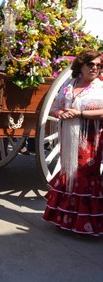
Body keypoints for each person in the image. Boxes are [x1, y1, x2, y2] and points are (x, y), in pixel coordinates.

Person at [43, 49, 103, 235]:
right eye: (91, 64)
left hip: (91, 140)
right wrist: (61, 113)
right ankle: (67, 219)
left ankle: (87, 222)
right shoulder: (70, 85)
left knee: (85, 174)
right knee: (69, 171)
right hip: (69, 137)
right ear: (81, 65)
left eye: (99, 65)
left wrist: (80, 114)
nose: (95, 68)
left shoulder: (100, 87)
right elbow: (55, 108)